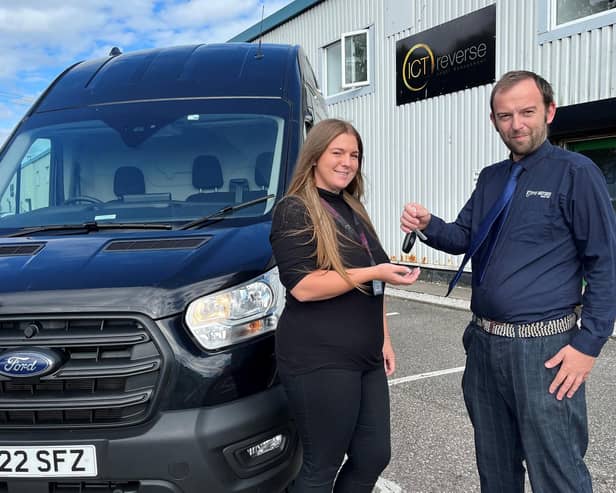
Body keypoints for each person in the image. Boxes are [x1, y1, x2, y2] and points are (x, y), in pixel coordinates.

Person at [401, 71, 616, 492]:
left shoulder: (577, 172)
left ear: (549, 111)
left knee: (558, 474)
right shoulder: (491, 178)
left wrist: (587, 346)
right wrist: (429, 224)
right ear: (494, 121)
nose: (516, 124)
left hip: (545, 351)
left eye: (527, 112)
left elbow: (605, 263)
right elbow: (464, 237)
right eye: (505, 116)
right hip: (484, 347)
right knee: (495, 471)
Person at [271, 118, 420, 492]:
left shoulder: (353, 208)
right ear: (316, 156)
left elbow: (374, 283)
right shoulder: (295, 209)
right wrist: (376, 271)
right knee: (321, 465)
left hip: (364, 355)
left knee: (373, 455)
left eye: (354, 154)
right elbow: (303, 286)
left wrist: (383, 337)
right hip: (318, 358)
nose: (347, 162)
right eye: (337, 152)